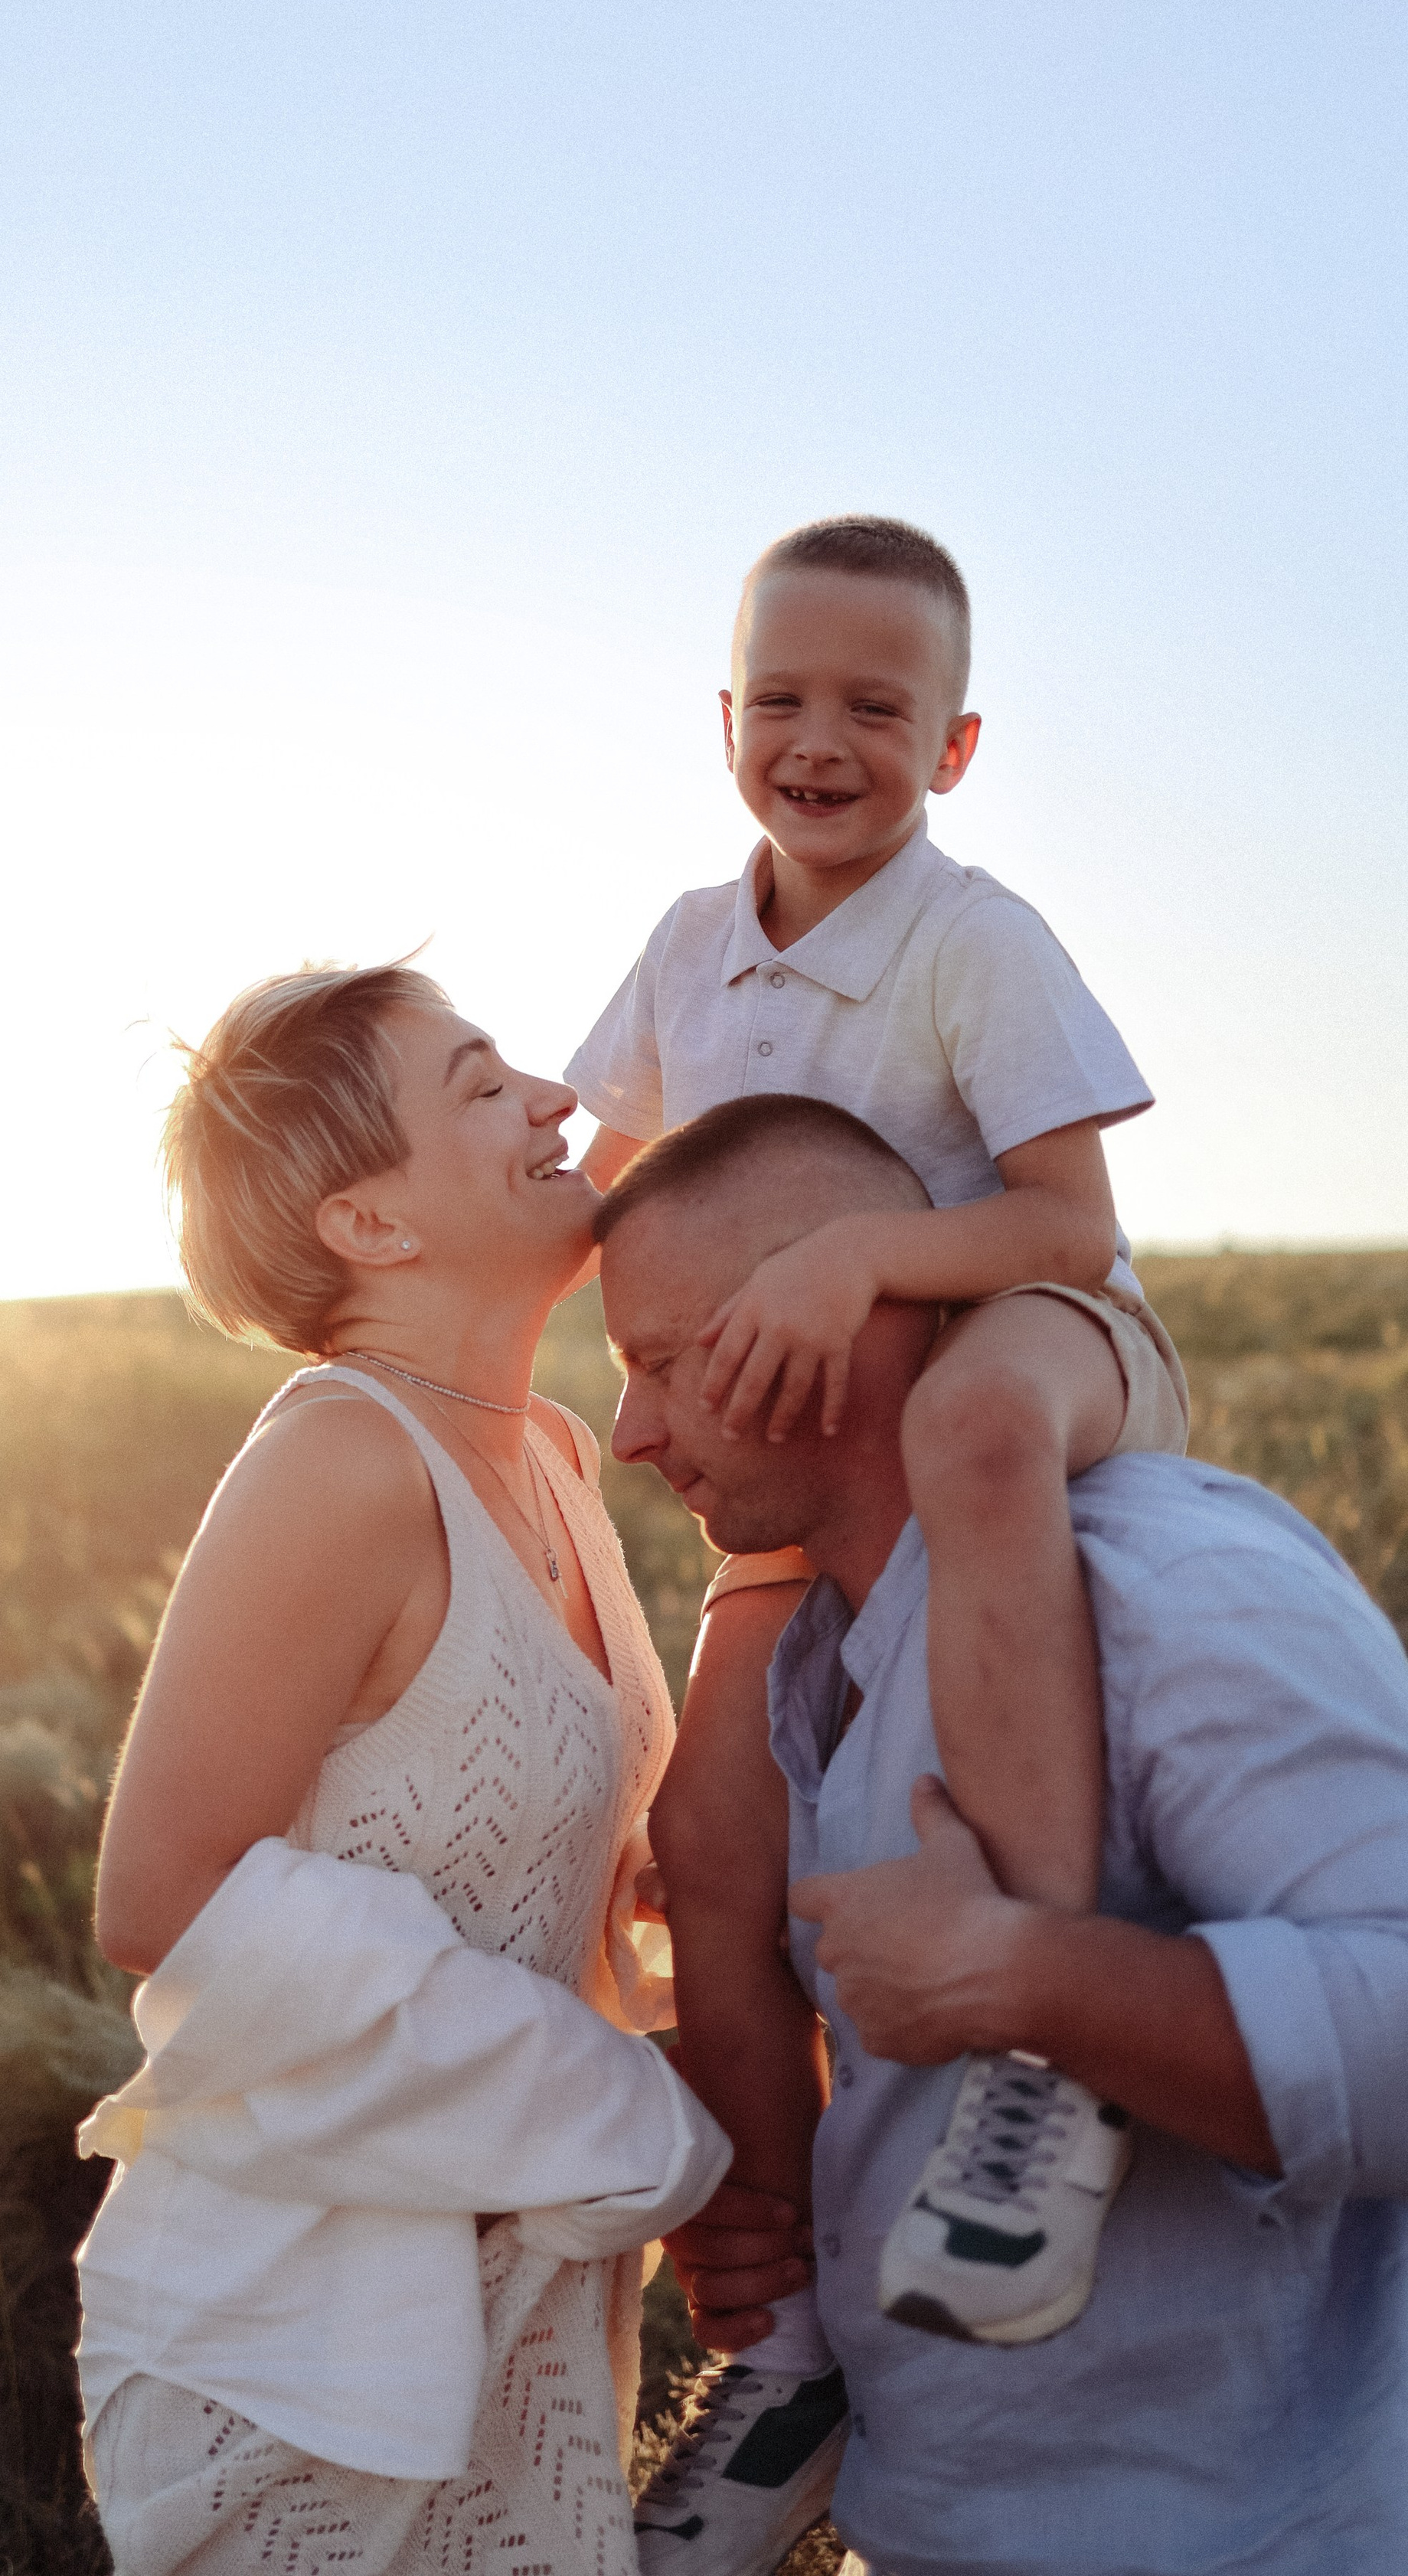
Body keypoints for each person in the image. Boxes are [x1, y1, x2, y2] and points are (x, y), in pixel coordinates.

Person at [569, 517, 1189, 2499]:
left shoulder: (968, 938)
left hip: (1031, 1343)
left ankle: (1045, 2050)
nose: (819, 741)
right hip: (814, 1451)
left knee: (974, 1435)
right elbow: (613, 1185)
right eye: (780, 700)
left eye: (875, 707)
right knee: (709, 1841)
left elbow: (1070, 1223)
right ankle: (785, 2334)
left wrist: (861, 1268)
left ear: (959, 744)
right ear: (722, 717)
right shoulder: (690, 942)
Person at [599, 1091, 1408, 2576]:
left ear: (832, 1327)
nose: (629, 1431)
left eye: (658, 1363)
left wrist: (1025, 1981)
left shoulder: (1164, 1585)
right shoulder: (810, 1673)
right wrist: (780, 2223)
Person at [73, 960, 748, 2576]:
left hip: (522, 2309)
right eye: (477, 1084)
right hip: (306, 2354)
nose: (556, 1097)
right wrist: (644, 2123)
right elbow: (165, 1898)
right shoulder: (340, 1455)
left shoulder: (555, 1454)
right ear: (366, 1226)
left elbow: (506, 1854)